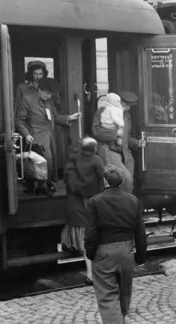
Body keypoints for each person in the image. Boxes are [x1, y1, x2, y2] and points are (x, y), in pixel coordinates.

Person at [85, 165, 147, 324]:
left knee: (107, 296)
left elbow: (91, 232)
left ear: (105, 181)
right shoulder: (133, 200)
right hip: (126, 252)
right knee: (125, 293)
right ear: (121, 181)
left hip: (104, 252)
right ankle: (121, 319)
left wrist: (90, 253)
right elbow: (140, 231)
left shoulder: (94, 201)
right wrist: (140, 257)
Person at [15, 77, 82, 194]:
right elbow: (19, 120)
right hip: (35, 136)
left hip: (49, 136)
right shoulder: (27, 99)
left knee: (50, 161)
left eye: (51, 94)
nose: (50, 96)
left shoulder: (48, 101)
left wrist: (69, 117)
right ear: (39, 90)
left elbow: (54, 117)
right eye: (47, 93)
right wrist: (26, 134)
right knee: (42, 161)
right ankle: (38, 186)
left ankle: (45, 185)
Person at [61, 137, 104, 284]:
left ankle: (91, 274)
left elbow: (72, 186)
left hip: (76, 207)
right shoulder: (97, 161)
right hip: (91, 206)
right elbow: (102, 181)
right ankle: (94, 273)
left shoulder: (71, 164)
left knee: (86, 243)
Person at [92, 90, 146, 193]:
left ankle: (123, 205)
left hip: (124, 152)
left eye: (130, 106)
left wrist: (137, 143)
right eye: (126, 105)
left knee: (128, 183)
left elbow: (126, 137)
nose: (128, 108)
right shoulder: (102, 111)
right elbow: (96, 131)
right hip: (108, 150)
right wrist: (114, 134)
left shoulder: (126, 115)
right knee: (126, 180)